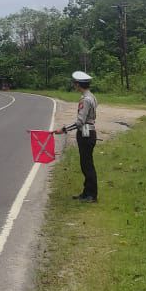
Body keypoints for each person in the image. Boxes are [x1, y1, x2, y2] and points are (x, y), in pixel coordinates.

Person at [60, 70, 98, 202]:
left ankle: (91, 195)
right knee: (86, 164)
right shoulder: (91, 96)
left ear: (78, 84)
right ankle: (87, 192)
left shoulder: (85, 100)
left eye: (75, 84)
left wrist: (64, 129)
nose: (74, 86)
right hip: (89, 132)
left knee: (87, 165)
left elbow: (80, 122)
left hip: (86, 134)